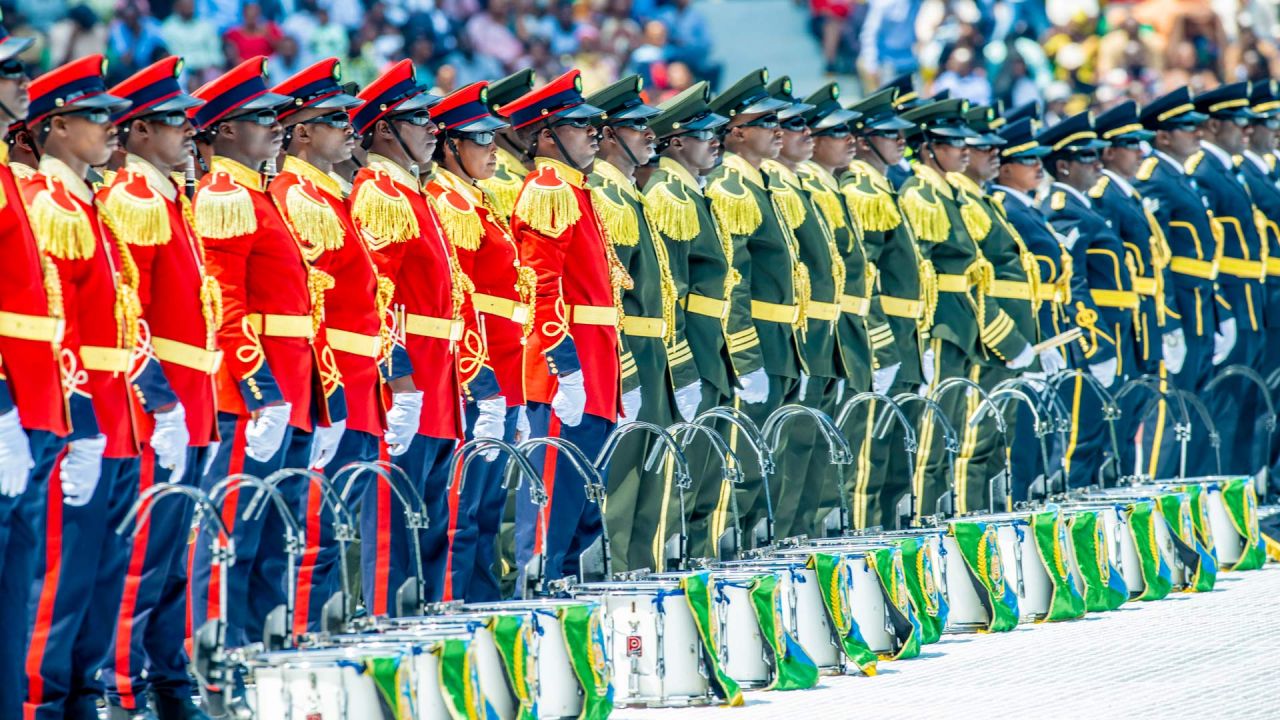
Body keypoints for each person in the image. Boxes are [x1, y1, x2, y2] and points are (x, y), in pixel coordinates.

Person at [21, 54, 185, 720]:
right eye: (95, 117)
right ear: (54, 126)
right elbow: (52, 323)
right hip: (78, 416)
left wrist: (156, 399)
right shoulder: (48, 204)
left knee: (102, 572)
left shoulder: (85, 202)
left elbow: (124, 315)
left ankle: (84, 693)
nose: (111, 128)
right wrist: (83, 421)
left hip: (120, 416)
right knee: (57, 577)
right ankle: (41, 702)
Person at [187, 57, 343, 678]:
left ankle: (259, 646)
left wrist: (314, 392)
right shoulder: (227, 196)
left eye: (277, 117)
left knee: (275, 526)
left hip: (294, 382)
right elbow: (224, 305)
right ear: (224, 130)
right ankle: (216, 653)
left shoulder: (259, 194)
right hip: (254, 391)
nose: (276, 126)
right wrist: (260, 391)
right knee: (233, 533)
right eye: (259, 118)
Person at [269, 58, 422, 632]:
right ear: (302, 132)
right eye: (334, 119)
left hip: (359, 380)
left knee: (339, 523)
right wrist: (327, 392)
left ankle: (324, 629)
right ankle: (305, 634)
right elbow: (313, 312)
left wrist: (390, 376)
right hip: (334, 383)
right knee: (316, 528)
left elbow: (372, 301)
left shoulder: (328, 195)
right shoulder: (298, 196)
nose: (349, 128)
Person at [98, 56, 217, 720]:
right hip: (161, 400)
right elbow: (127, 310)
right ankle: (122, 685)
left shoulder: (170, 195)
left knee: (173, 558)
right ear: (138, 131)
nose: (187, 134)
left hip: (190, 398)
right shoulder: (134, 199)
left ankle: (168, 678)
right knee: (141, 557)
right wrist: (157, 395)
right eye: (173, 122)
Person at [349, 59, 463, 608]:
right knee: (396, 521)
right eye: (419, 120)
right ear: (384, 130)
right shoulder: (381, 193)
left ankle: (422, 617)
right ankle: (387, 621)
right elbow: (379, 297)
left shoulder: (412, 192)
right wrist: (400, 383)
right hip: (412, 378)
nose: (433, 129)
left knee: (430, 517)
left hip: (438, 372)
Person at [502, 69, 624, 585]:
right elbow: (541, 287)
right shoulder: (549, 189)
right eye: (579, 126)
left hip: (595, 364)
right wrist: (565, 368)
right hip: (567, 368)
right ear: (548, 136)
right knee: (552, 507)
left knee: (580, 504)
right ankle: (539, 601)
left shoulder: (576, 191)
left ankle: (563, 599)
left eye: (594, 126)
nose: (593, 134)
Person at [0, 27, 89, 720]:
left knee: (19, 585)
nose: (21, 81)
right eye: (9, 71)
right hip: (11, 408)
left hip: (36, 408)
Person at [423, 80, 529, 602]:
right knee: (463, 509)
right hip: (477, 372)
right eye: (480, 140)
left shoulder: (475, 200)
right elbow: (461, 300)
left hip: (506, 367)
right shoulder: (449, 203)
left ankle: (484, 601)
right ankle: (456, 603)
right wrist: (478, 378)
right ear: (451, 147)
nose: (493, 149)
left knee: (489, 506)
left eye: (494, 139)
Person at [586, 74, 687, 572]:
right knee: (623, 481)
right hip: (629, 350)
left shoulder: (626, 193)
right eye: (636, 127)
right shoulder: (604, 196)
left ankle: (640, 574)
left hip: (652, 352)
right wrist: (623, 362)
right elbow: (607, 291)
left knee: (653, 475)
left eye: (650, 126)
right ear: (607, 136)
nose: (650, 135)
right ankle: (618, 577)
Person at [705, 69, 801, 546]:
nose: (778, 130)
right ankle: (724, 562)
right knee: (740, 468)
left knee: (767, 465)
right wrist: (745, 356)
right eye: (766, 121)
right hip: (755, 344)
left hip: (782, 341)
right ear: (736, 130)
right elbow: (732, 280)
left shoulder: (761, 184)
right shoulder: (731, 186)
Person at [643, 81, 738, 559]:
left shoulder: (690, 191)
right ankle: (679, 564)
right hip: (690, 352)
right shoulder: (667, 194)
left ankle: (700, 559)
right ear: (676, 142)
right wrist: (682, 363)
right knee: (682, 477)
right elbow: (669, 289)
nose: (715, 141)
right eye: (703, 134)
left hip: (712, 349)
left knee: (707, 471)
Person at [762, 76, 860, 539]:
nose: (796, 133)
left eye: (804, 124)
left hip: (822, 333)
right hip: (793, 336)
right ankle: (778, 544)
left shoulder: (796, 184)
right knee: (782, 457)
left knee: (811, 453)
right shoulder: (770, 186)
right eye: (787, 124)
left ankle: (799, 538)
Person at [797, 82, 892, 535]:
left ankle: (832, 538)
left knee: (837, 450)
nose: (850, 140)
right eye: (838, 133)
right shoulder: (812, 188)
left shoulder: (828, 186)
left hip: (845, 329)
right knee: (804, 453)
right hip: (818, 332)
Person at [944, 104, 1041, 513]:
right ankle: (970, 531)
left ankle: (987, 529)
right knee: (975, 445)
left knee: (997, 443)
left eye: (995, 147)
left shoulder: (981, 200)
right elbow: (973, 281)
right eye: (981, 147)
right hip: (986, 341)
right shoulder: (960, 202)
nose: (992, 154)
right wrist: (1007, 337)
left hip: (1006, 339)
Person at [895, 97, 989, 518]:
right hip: (940, 323)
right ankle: (922, 517)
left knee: (949, 429)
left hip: (960, 317)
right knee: (931, 437)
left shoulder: (945, 191)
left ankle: (938, 515)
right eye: (952, 143)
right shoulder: (921, 193)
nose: (964, 151)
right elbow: (920, 266)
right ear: (928, 146)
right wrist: (926, 331)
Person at [1037, 111, 1134, 489]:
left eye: (1097, 155)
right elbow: (1072, 283)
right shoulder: (1064, 209)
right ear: (1062, 166)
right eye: (1086, 157)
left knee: (1107, 433)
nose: (1097, 163)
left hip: (1115, 329)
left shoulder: (1084, 206)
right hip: (1092, 338)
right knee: (1082, 437)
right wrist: (1095, 345)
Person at [989, 117, 1083, 501]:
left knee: (1040, 431)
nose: (1038, 166)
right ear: (1005, 166)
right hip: (1025, 334)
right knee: (1022, 437)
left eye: (1039, 157)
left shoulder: (1026, 206)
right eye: (1028, 159)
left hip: (1046, 331)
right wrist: (1035, 339)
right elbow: (1019, 287)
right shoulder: (1003, 206)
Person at [1134, 88, 1225, 475]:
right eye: (1185, 128)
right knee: (1169, 412)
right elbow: (1160, 259)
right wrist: (1168, 319)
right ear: (1164, 136)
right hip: (1180, 307)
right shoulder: (1154, 177)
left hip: (1200, 305)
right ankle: (1156, 495)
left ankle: (1184, 500)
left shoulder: (1180, 177)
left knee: (1193, 407)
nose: (1197, 133)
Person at [844, 86, 922, 528]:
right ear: (865, 138)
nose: (901, 142)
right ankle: (865, 543)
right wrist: (879, 339)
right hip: (883, 331)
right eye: (889, 134)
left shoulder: (882, 185)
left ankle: (890, 541)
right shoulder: (862, 189)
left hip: (905, 331)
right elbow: (863, 274)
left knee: (897, 454)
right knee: (868, 456)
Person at [1090, 100, 1180, 483]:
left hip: (1143, 315)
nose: (1140, 152)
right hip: (1118, 319)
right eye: (1130, 144)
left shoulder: (1126, 193)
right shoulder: (1103, 195)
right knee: (1111, 420)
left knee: (1133, 412)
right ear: (1108, 151)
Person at [1189, 82, 1267, 477]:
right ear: (1214, 126)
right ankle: (1220, 484)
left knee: (1248, 399)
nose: (1247, 130)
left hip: (1251, 297)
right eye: (1238, 122)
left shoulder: (1226, 171)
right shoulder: (1203, 172)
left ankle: (1244, 484)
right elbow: (1209, 251)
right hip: (1229, 296)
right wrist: (1222, 306)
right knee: (1223, 402)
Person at [477, 68, 535, 220]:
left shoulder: (525, 164)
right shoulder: (497, 178)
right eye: (526, 116)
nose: (536, 124)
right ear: (502, 124)